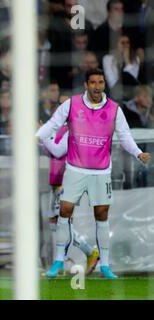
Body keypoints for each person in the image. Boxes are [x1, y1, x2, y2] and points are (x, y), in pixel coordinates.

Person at [36, 68, 151, 279]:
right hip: (74, 169)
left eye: (100, 82)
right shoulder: (71, 104)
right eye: (93, 83)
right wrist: (35, 137)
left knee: (101, 216)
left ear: (104, 84)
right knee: (64, 213)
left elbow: (125, 137)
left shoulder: (114, 109)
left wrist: (138, 153)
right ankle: (58, 262)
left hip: (101, 172)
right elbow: (52, 125)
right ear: (86, 85)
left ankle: (105, 266)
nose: (97, 87)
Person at [40, 123, 100, 275]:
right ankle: (69, 258)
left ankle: (67, 260)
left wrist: (42, 136)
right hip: (57, 180)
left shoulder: (74, 129)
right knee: (56, 223)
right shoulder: (62, 129)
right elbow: (52, 153)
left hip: (67, 179)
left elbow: (58, 151)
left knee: (60, 222)